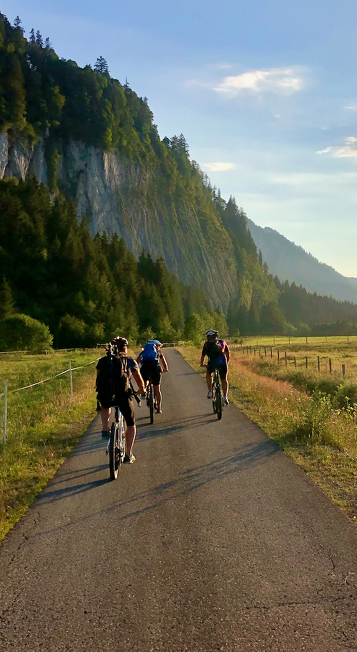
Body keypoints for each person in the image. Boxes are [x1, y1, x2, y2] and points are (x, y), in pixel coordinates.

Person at [96, 336, 145, 464]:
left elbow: (98, 381)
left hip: (106, 396)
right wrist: (142, 390)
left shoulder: (102, 361)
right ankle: (128, 454)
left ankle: (105, 429)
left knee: (105, 405)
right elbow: (138, 379)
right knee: (130, 423)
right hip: (123, 396)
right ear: (125, 348)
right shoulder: (128, 360)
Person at [136, 339, 169, 414]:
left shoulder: (143, 352)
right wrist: (165, 369)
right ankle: (159, 408)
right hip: (155, 371)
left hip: (145, 370)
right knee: (157, 389)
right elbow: (165, 364)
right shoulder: (158, 353)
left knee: (145, 380)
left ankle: (144, 391)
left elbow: (137, 362)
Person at [200, 329, 230, 406]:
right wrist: (227, 362)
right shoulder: (222, 342)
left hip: (212, 363)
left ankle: (210, 392)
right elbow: (227, 353)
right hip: (222, 362)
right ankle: (225, 396)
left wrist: (202, 364)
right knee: (224, 379)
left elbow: (203, 356)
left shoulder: (206, 344)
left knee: (208, 374)